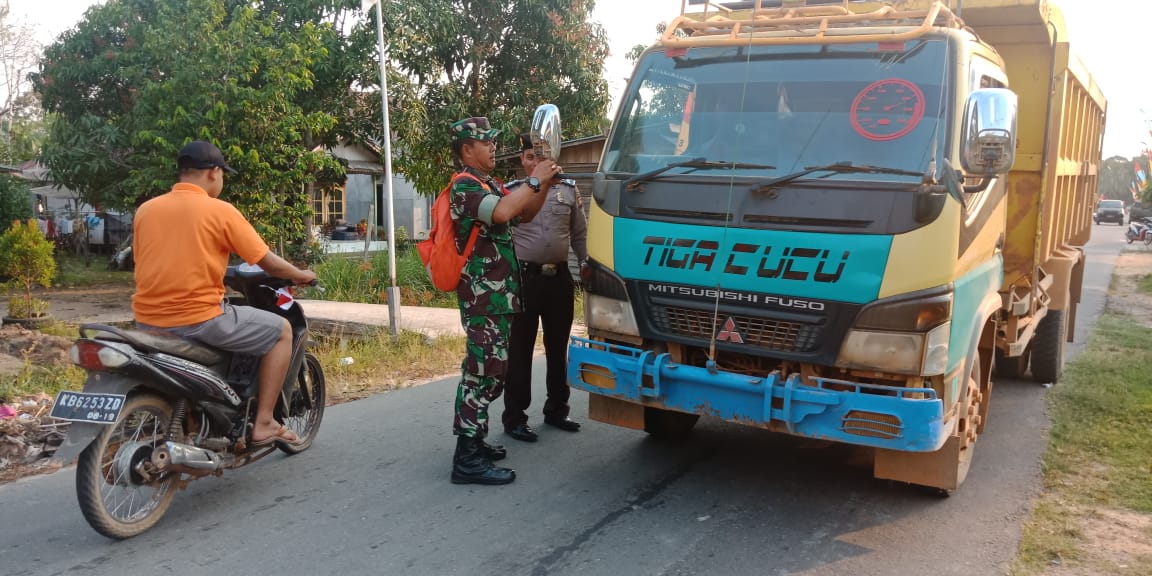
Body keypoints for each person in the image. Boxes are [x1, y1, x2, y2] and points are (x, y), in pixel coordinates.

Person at [132, 140, 317, 447]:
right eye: (222, 174)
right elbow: (267, 261)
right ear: (213, 172)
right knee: (282, 331)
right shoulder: (219, 211)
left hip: (146, 321)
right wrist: (300, 275)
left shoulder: (146, 210)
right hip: (199, 320)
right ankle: (264, 422)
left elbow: (151, 261)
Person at [446, 117, 561, 485]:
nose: (494, 147)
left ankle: (475, 442)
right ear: (467, 150)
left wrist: (544, 184)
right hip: (483, 300)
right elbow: (503, 212)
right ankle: (466, 458)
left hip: (499, 299)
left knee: (494, 373)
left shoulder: (489, 184)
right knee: (481, 374)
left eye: (493, 141)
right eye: (486, 142)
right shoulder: (465, 186)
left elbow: (524, 213)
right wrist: (534, 179)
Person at [502, 133, 588, 442]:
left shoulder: (569, 190)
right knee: (520, 350)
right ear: (522, 160)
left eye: (541, 156)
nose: (535, 162)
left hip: (560, 279)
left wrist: (586, 263)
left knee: (558, 346)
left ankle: (557, 410)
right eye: (530, 157)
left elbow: (579, 234)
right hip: (524, 280)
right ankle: (515, 417)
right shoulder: (513, 192)